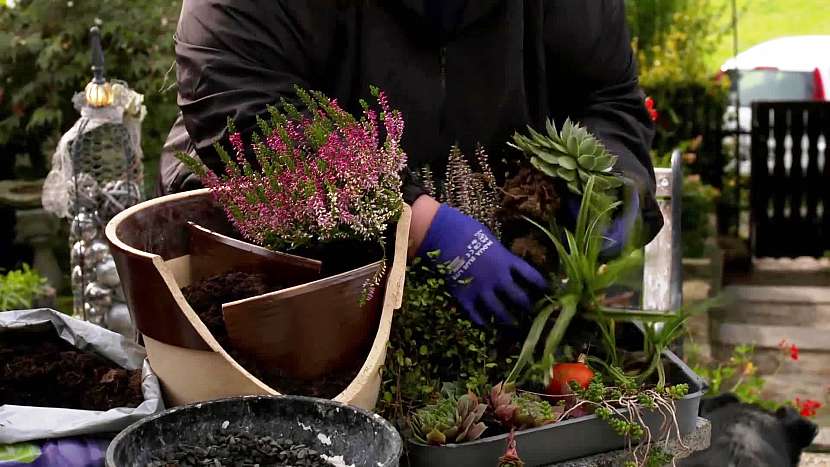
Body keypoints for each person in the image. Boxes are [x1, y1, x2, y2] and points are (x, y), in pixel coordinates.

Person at [158, 0, 662, 326]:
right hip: (283, 266)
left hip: (483, 271)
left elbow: (609, 95)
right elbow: (241, 113)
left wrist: (610, 179)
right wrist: (416, 224)